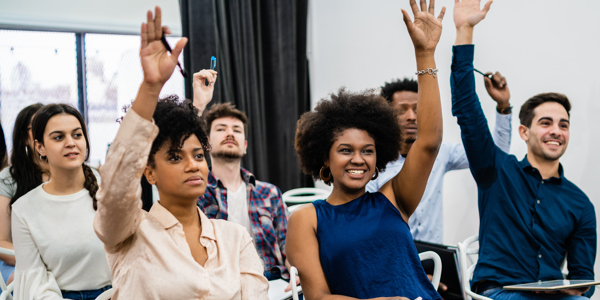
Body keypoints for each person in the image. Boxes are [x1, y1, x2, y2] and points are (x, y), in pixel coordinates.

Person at [93, 7, 268, 299]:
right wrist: (150, 88)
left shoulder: (234, 238)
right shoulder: (129, 232)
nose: (192, 165)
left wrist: (197, 106)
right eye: (175, 157)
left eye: (199, 156)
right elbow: (116, 186)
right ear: (148, 172)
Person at [287, 0, 445, 299]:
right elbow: (318, 297)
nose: (358, 159)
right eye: (346, 150)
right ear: (325, 156)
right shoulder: (305, 219)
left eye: (368, 151)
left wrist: (425, 54)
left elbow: (428, 142)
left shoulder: (393, 198)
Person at [451, 1, 596, 299]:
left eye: (563, 125)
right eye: (546, 123)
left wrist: (570, 291)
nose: (556, 130)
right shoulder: (496, 169)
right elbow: (467, 110)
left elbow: (583, 280)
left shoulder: (580, 204)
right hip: (499, 292)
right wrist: (465, 30)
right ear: (524, 132)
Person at [366, 75, 511, 244]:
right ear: (386, 116)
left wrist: (503, 106)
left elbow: (492, 154)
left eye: (417, 109)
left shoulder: (441, 152)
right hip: (390, 254)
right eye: (401, 110)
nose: (411, 116)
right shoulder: (372, 160)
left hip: (434, 257)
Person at [193, 71, 289, 281]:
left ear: (245, 146)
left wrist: (296, 271)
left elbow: (288, 247)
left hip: (270, 281)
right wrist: (198, 104)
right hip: (219, 284)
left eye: (236, 130)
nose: (229, 133)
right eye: (221, 129)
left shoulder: (270, 193)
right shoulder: (196, 192)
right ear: (207, 143)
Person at [11, 103, 111, 299]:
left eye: (77, 135)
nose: (71, 143)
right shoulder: (24, 209)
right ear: (40, 147)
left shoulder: (109, 190)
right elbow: (34, 283)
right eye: (58, 137)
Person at [0, 103, 49, 284]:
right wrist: (41, 261)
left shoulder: (69, 174)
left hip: (64, 261)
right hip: (18, 262)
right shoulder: (8, 178)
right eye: (37, 128)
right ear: (24, 138)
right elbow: (1, 242)